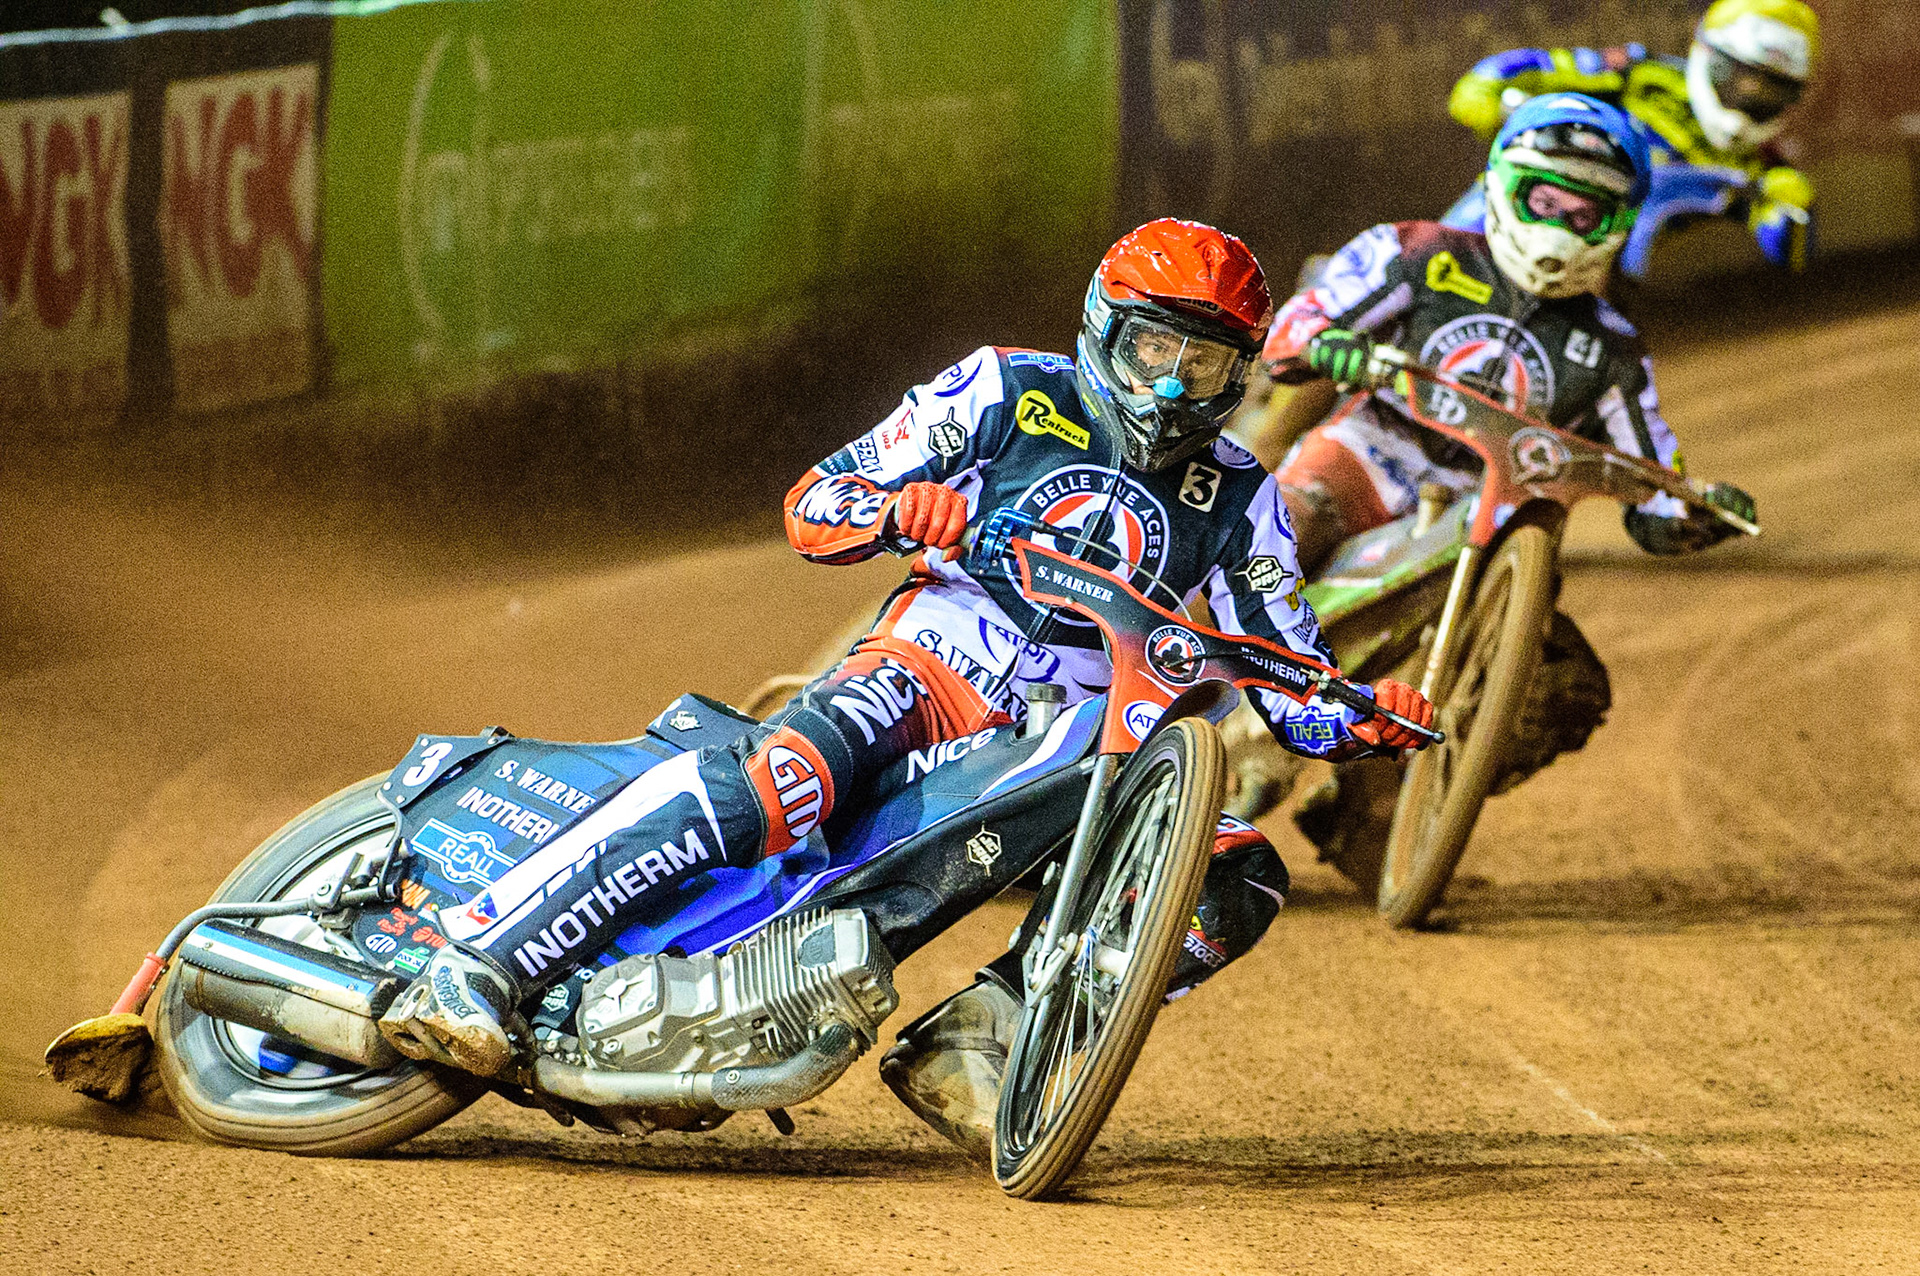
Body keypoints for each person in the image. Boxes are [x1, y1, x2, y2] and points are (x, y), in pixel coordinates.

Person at [376, 220, 1436, 1152]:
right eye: (1153, 347)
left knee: (1234, 880)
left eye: (1202, 366)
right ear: (1103, 329)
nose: (1169, 385)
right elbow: (816, 502)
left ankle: (985, 1039)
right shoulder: (1005, 390)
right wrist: (901, 512)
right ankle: (483, 963)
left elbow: (1291, 667)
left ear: (1239, 376)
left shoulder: (1241, 497)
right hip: (929, 666)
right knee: (782, 785)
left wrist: (1369, 712)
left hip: (1087, 739)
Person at [1263, 92, 1757, 577]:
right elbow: (1294, 325)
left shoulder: (1615, 348)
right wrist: (1325, 344)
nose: (1557, 228)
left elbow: (1654, 487)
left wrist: (1697, 514)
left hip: (1493, 511)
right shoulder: (1418, 251)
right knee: (1282, 530)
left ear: (1617, 223)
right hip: (1369, 453)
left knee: (1561, 657)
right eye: (1543, 201)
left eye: (1582, 215)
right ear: (1504, 186)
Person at [1441, 0, 1821, 277]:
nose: (1752, 97)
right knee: (1434, 260)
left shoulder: (1758, 165)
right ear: (1711, 55)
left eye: (1771, 91)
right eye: (1744, 80)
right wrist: (1486, 89)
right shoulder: (1645, 77)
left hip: (1592, 270)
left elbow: (1790, 251)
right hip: (1519, 215)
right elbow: (1537, 67)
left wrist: (1791, 203)